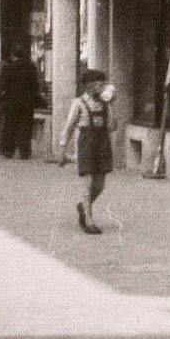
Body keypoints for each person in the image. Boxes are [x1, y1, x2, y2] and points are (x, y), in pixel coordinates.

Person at [59, 69, 116, 234]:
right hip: (87, 142)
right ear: (90, 85)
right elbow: (69, 126)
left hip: (103, 142)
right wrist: (62, 149)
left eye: (103, 83)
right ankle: (89, 221)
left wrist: (111, 106)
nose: (103, 86)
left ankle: (83, 206)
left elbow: (112, 127)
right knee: (87, 183)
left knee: (99, 185)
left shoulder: (105, 102)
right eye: (100, 83)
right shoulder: (79, 103)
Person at [0, 47, 41, 159]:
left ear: (13, 56)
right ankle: (25, 151)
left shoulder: (7, 68)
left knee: (10, 125)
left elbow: (2, 87)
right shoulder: (31, 67)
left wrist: (0, 99)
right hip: (27, 102)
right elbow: (35, 86)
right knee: (25, 126)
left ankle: (8, 150)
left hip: (11, 102)